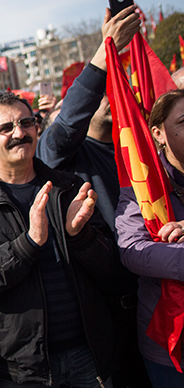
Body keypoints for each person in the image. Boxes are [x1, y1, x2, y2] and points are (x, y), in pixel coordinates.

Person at [0, 91, 117, 387]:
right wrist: (29, 243)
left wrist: (80, 237)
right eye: (6, 128)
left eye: (26, 123)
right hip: (23, 370)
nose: (19, 133)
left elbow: (111, 267)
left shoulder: (68, 187)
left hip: (89, 356)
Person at [36, 4, 147, 388]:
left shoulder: (140, 148)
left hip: (158, 293)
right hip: (109, 310)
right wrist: (105, 54)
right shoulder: (59, 154)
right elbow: (68, 121)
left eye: (114, 86)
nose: (106, 95)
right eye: (99, 90)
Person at [116, 89, 184, 387]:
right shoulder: (143, 183)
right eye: (183, 121)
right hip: (170, 341)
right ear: (158, 133)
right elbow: (133, 249)